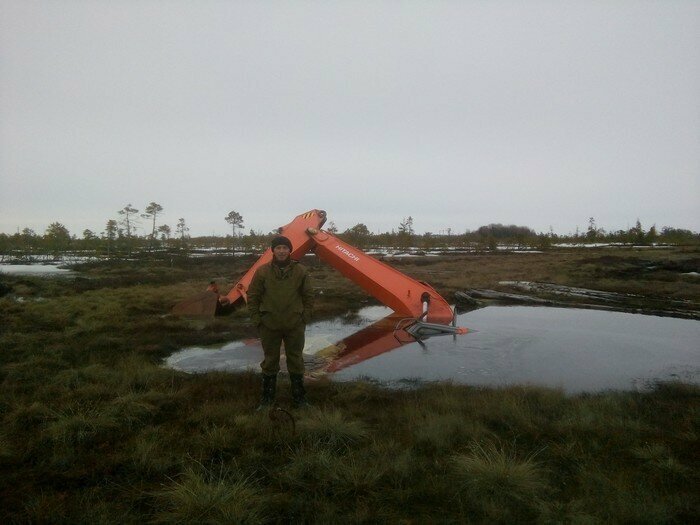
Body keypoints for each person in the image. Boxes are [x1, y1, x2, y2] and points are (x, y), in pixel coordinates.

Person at [247, 235, 314, 409]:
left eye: (285, 248)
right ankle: (267, 400)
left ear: (290, 250)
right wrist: (257, 320)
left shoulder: (301, 271)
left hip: (295, 325)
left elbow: (308, 296)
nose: (282, 251)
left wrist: (304, 318)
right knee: (270, 361)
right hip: (269, 325)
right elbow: (253, 296)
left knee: (296, 360)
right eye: (278, 248)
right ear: (273, 251)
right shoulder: (262, 271)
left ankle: (299, 399)